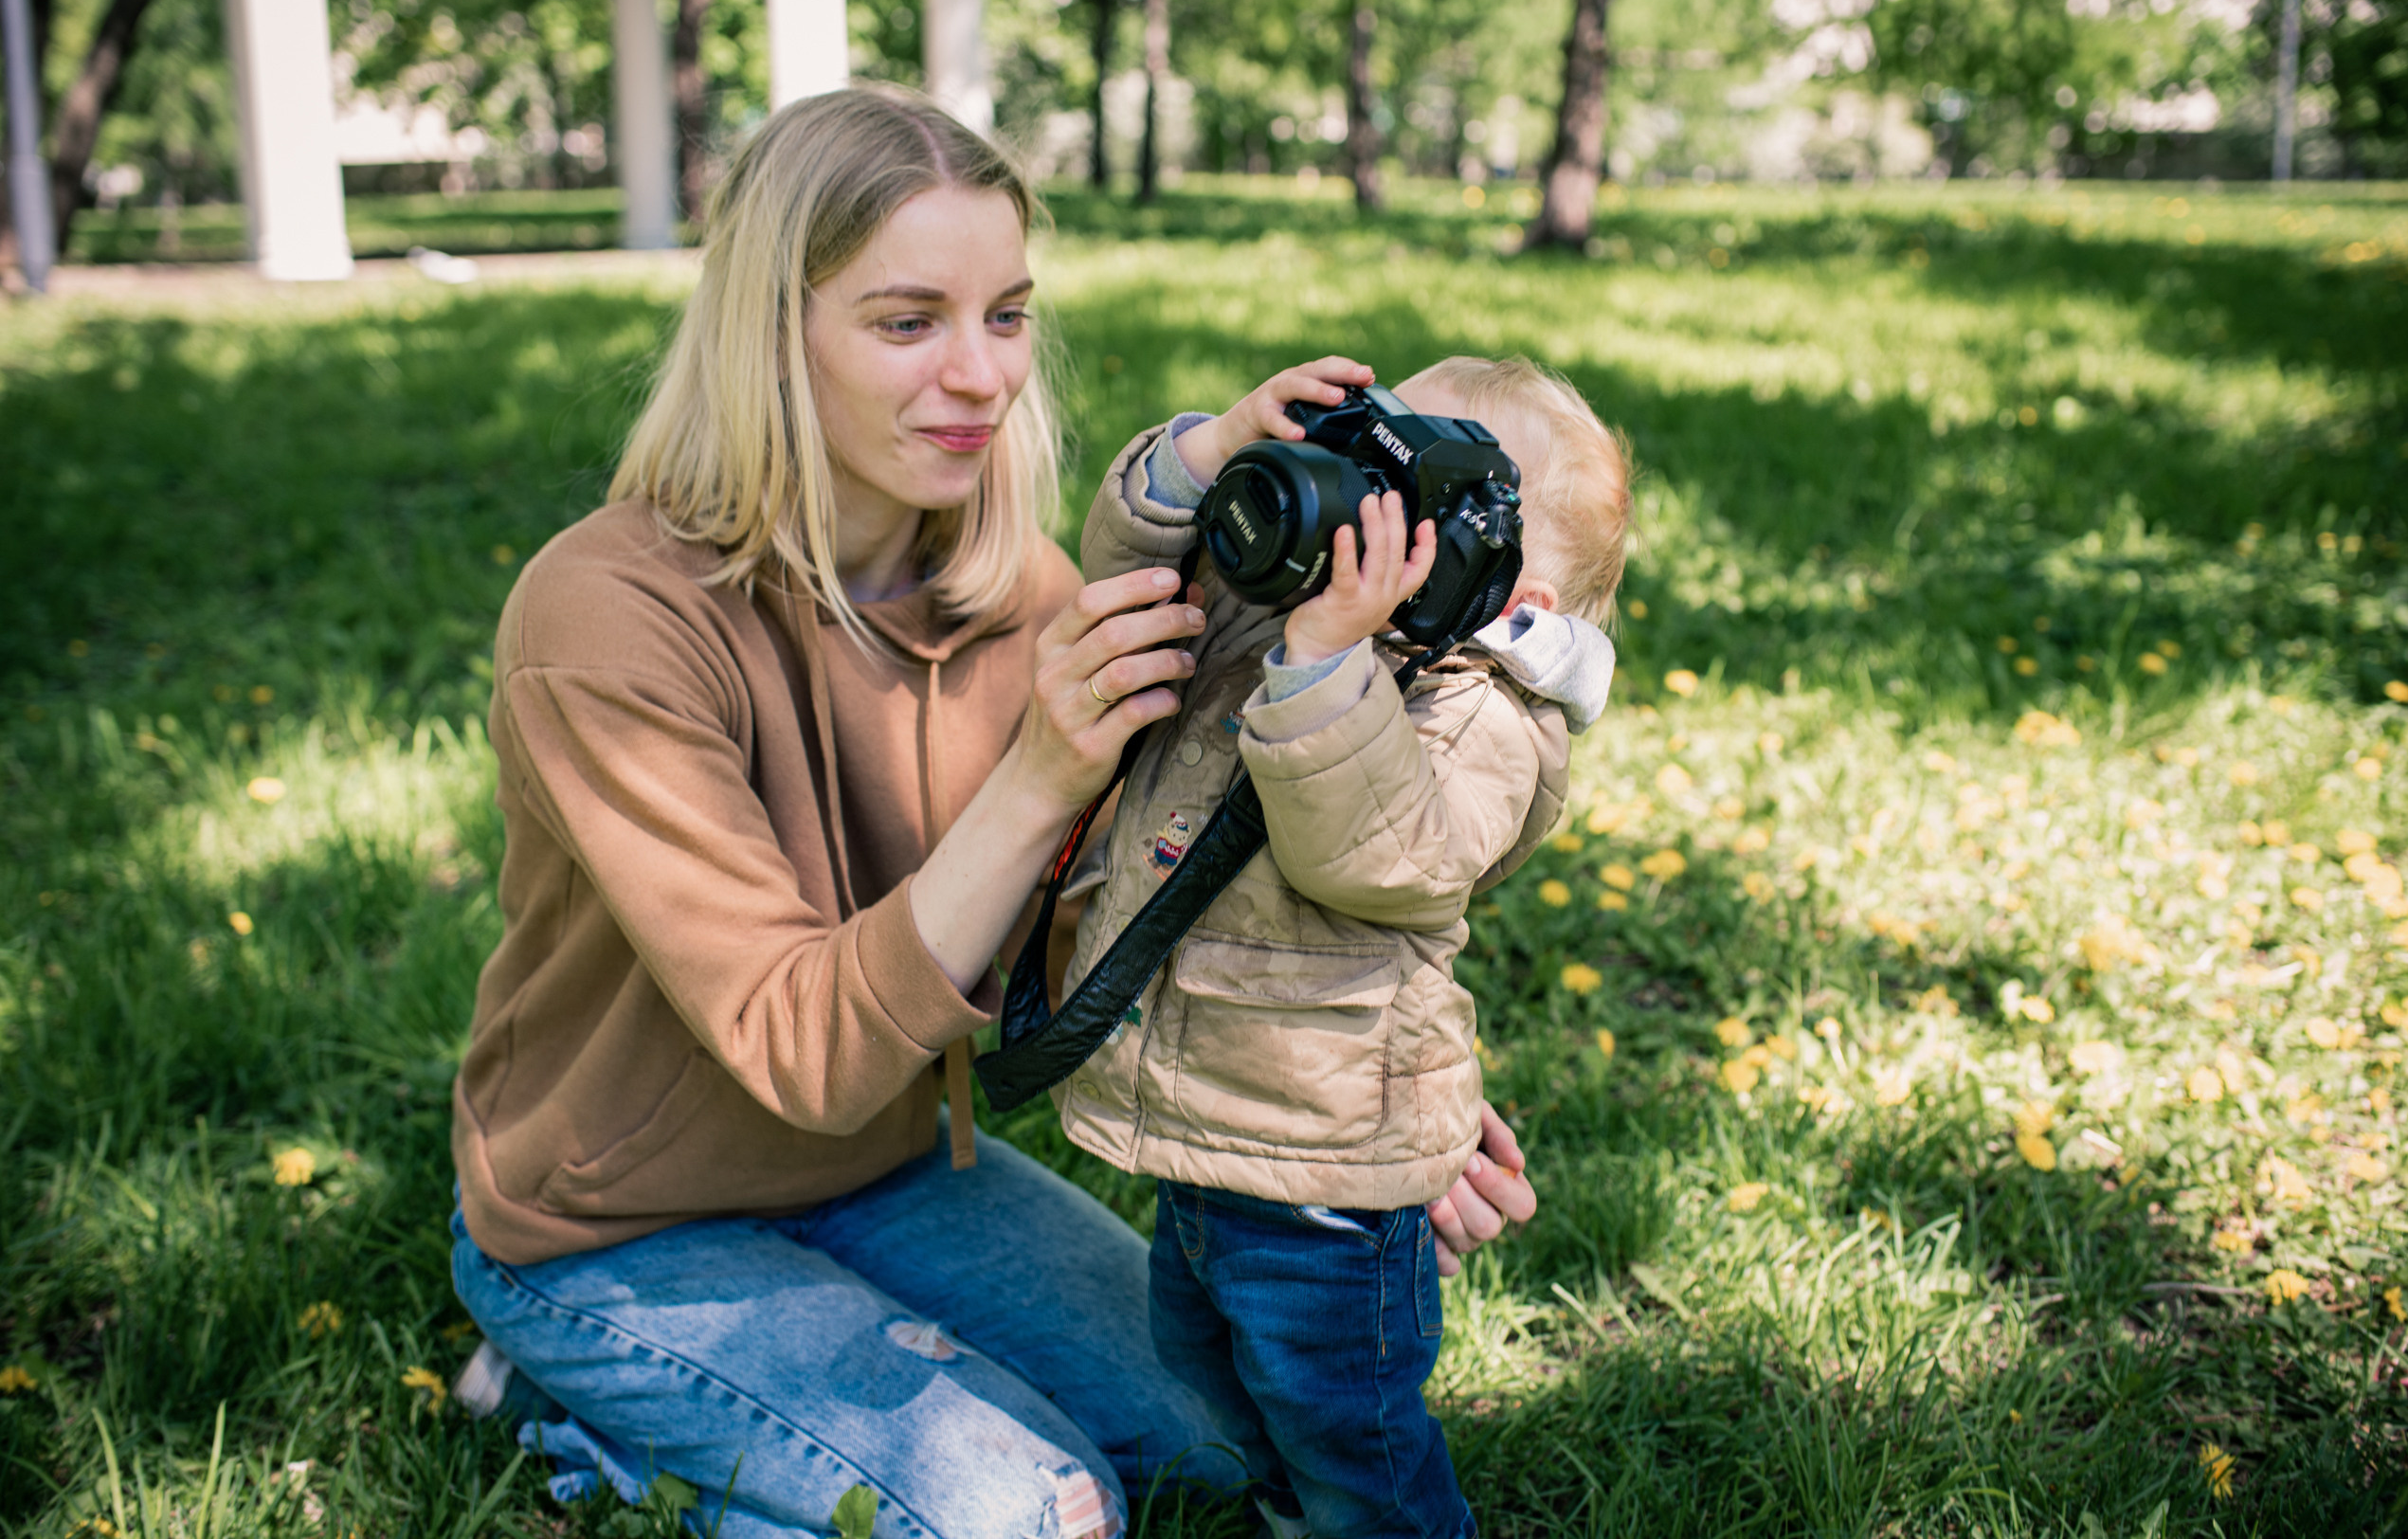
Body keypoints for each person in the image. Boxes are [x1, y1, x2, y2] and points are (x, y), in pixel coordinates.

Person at [444, 83, 1536, 1539]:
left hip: (889, 1171)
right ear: (774, 334)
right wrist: (1041, 771)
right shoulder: (606, 616)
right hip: (614, 1222)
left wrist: (1370, 1111)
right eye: (907, 323)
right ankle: (567, 1395)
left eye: (1005, 315)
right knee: (1033, 1514)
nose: (979, 377)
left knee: (1216, 1450)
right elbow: (805, 1052)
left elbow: (1136, 925)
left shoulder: (1019, 592)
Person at [1056, 353, 1630, 1539]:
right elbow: (1126, 578)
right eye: (1374, 467)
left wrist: (1327, 658)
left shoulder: (1486, 715)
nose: (1374, 523)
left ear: (1519, 598)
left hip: (1329, 1171)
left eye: (1421, 510)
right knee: (1211, 1367)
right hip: (1214, 1129)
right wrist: (1214, 456)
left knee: (1344, 1427)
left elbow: (1376, 852)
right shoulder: (1289, 607)